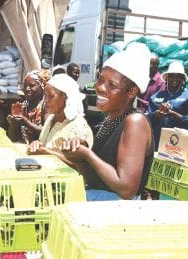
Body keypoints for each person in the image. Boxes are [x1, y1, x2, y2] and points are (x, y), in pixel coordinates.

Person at [63, 43, 154, 201]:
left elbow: (126, 189)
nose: (100, 88)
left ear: (131, 92)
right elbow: (97, 179)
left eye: (112, 85)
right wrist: (79, 154)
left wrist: (87, 154)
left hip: (116, 215)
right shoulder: (109, 119)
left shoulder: (135, 122)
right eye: (100, 79)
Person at [27, 73, 93, 164]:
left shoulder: (78, 127)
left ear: (66, 97)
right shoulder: (51, 118)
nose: (46, 100)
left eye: (51, 96)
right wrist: (38, 144)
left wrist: (47, 152)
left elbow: (80, 165)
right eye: (45, 95)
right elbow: (46, 144)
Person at [147, 61, 188, 148]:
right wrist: (156, 114)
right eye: (171, 76)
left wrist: (174, 115)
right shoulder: (156, 96)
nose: (174, 79)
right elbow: (147, 118)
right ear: (166, 78)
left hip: (178, 143)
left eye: (178, 76)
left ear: (182, 79)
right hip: (157, 140)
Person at [7, 69, 49, 143]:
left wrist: (25, 122)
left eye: (32, 85)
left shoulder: (46, 106)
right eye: (25, 86)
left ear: (42, 86)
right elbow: (12, 138)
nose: (27, 89)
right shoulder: (23, 106)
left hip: (41, 149)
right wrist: (14, 125)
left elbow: (47, 132)